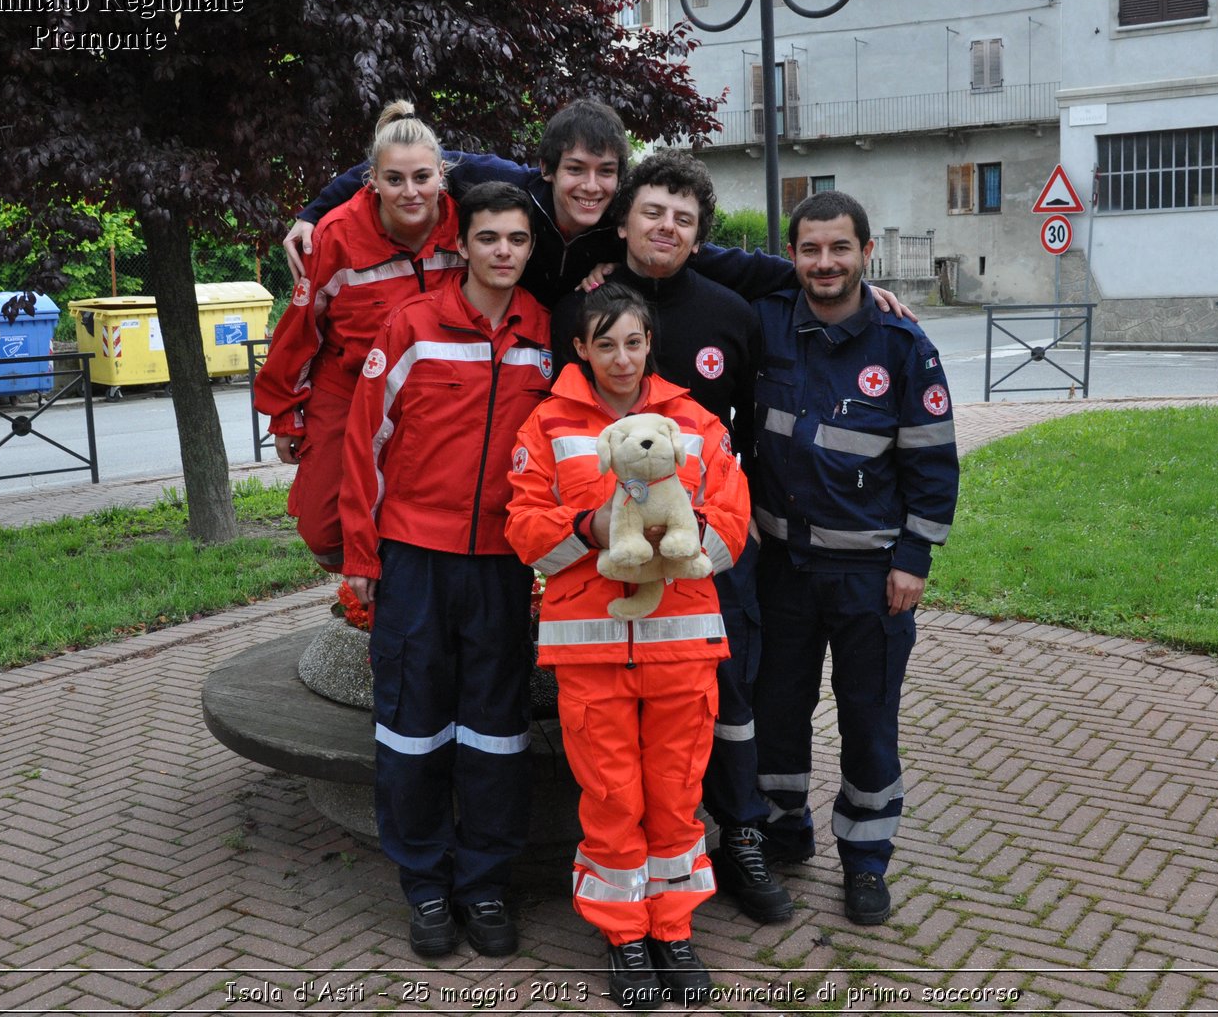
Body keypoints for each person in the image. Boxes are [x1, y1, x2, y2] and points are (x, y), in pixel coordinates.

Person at [550, 150, 792, 927]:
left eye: (684, 219)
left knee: (730, 691)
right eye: (654, 211)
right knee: (624, 716)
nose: (667, 227)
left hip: (709, 541)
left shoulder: (731, 311)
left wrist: (738, 512)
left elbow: (751, 423)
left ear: (699, 236)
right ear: (624, 219)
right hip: (607, 553)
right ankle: (633, 875)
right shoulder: (577, 306)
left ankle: (742, 831)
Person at [506, 284, 750, 1009]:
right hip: (590, 648)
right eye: (603, 342)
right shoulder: (546, 424)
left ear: (651, 344)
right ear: (580, 348)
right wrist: (591, 528)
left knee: (676, 796)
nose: (620, 357)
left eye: (633, 342)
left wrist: (677, 539)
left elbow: (733, 520)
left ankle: (673, 930)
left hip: (682, 644)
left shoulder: (696, 421)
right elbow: (523, 528)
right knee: (612, 797)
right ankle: (624, 935)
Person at [338, 181, 552, 959]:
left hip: (502, 565)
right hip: (415, 561)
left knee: (496, 731)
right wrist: (363, 557)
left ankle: (486, 884)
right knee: (411, 728)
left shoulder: (545, 334)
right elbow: (364, 444)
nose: (503, 252)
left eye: (517, 241)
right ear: (462, 242)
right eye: (489, 237)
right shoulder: (411, 327)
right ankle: (426, 885)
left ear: (531, 249)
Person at [746, 190, 959, 925]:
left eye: (840, 248)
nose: (825, 262)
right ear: (792, 256)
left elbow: (934, 463)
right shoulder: (769, 321)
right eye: (810, 249)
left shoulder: (904, 346)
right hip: (781, 567)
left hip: (872, 576)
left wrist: (915, 558)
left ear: (866, 252)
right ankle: (783, 829)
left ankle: (865, 858)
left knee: (868, 718)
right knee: (778, 709)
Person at [281, 98, 913, 317]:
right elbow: (401, 165)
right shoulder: (499, 183)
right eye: (576, 170)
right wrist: (315, 210)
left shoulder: (621, 228)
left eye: (606, 172)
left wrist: (828, 278)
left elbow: (723, 264)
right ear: (548, 168)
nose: (590, 186)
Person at [254, 100, 463, 571]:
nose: (410, 192)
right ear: (371, 180)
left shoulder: (467, 225)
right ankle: (363, 587)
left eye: (422, 178)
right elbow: (300, 332)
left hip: (433, 393)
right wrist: (287, 414)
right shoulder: (337, 236)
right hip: (347, 387)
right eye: (394, 180)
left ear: (442, 176)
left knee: (422, 515)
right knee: (324, 529)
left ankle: (396, 604)